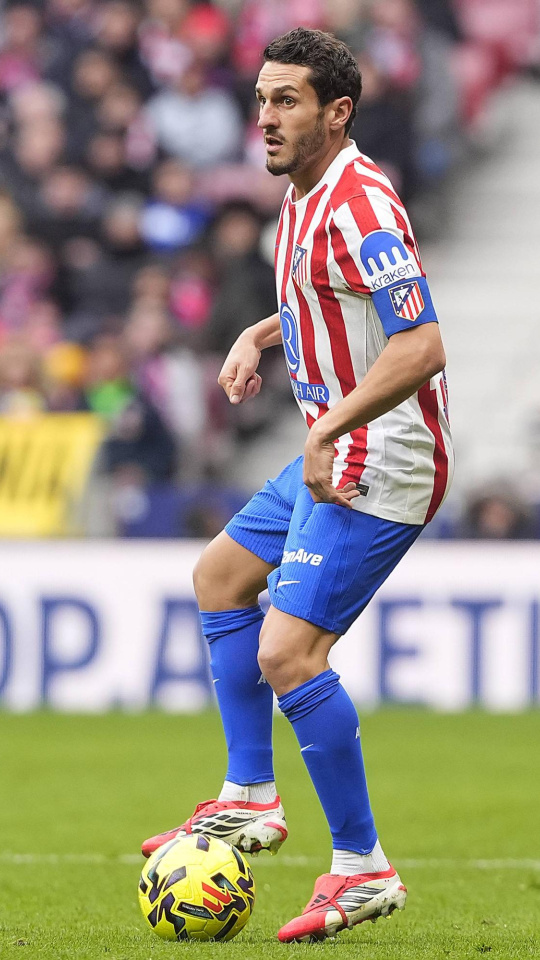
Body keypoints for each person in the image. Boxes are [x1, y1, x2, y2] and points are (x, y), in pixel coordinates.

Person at [142, 27, 454, 942]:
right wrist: (258, 333)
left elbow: (421, 342)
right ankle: (251, 798)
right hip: (336, 446)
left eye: (287, 102)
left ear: (337, 111)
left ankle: (363, 868)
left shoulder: (362, 203)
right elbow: (324, 299)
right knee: (219, 579)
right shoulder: (303, 196)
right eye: (263, 100)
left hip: (381, 459)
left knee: (288, 655)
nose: (267, 118)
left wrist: (326, 423)